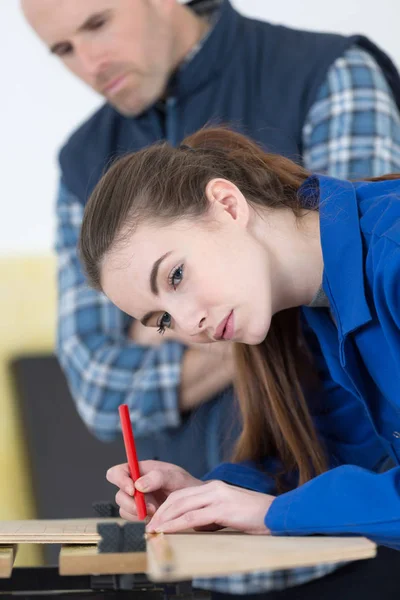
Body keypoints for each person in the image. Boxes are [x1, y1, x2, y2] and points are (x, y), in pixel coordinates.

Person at [21, 0, 400, 480]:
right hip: (232, 511)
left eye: (98, 23)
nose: (90, 63)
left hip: (341, 515)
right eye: (63, 50)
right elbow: (99, 389)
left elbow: (345, 287)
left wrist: (152, 335)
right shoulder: (79, 162)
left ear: (228, 204)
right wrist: (218, 493)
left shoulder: (326, 71)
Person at [79, 126, 400, 596]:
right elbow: (325, 449)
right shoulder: (311, 311)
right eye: (163, 319)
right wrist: (203, 498)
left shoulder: (392, 255)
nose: (190, 323)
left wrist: (273, 515)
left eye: (177, 275)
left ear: (227, 204)